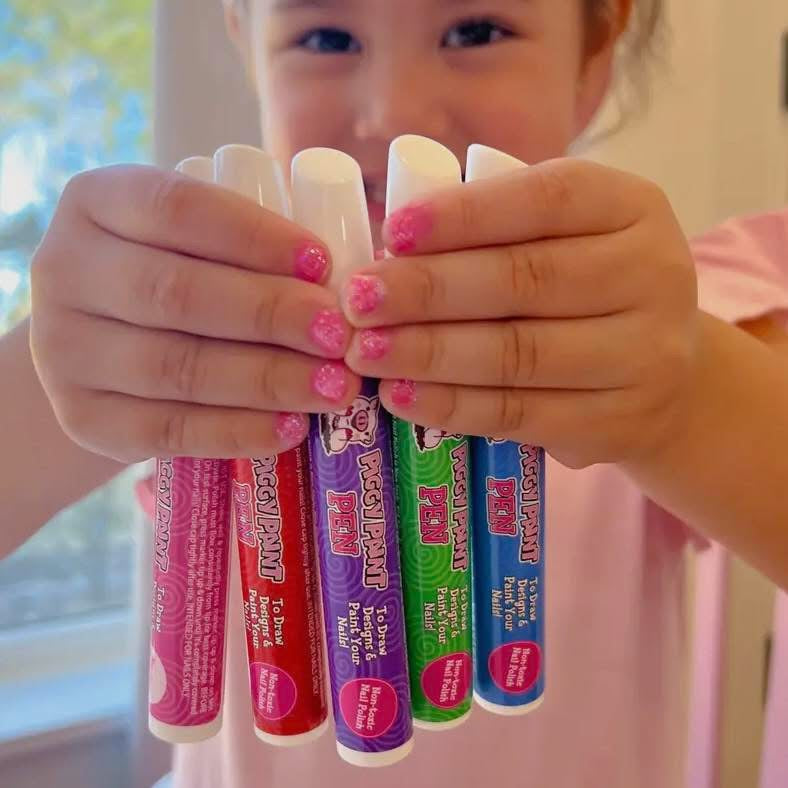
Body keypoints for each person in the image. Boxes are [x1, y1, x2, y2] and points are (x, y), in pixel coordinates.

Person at [1, 0, 787, 785]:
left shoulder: (668, 325)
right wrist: (66, 375)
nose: (394, 113)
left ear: (593, 58)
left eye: (476, 31)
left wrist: (685, 397)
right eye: (326, 37)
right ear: (249, 48)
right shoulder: (203, 336)